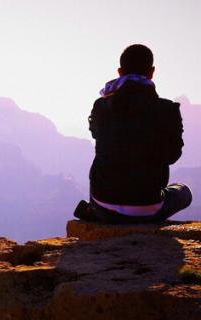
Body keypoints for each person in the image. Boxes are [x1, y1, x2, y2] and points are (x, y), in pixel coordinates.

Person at [74, 44, 192, 224]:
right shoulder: (168, 110)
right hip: (148, 206)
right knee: (184, 192)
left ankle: (96, 212)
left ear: (120, 72)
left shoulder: (101, 106)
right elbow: (172, 155)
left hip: (103, 204)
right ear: (152, 72)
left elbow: (98, 135)